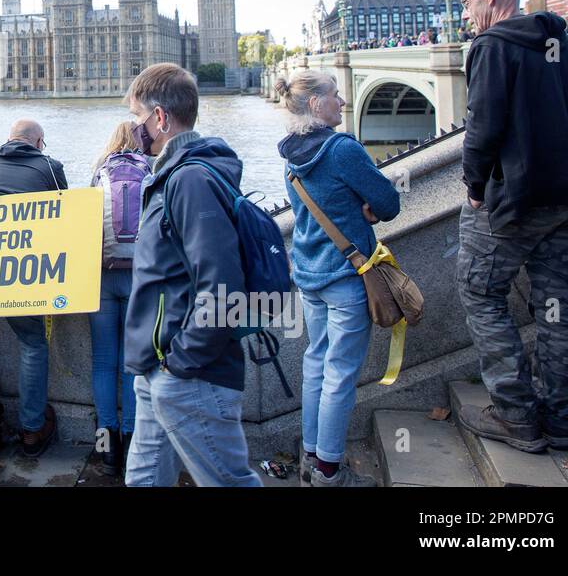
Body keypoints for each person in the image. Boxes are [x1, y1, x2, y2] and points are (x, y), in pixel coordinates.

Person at [456, 0, 568, 452]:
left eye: (467, 3)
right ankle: (559, 416)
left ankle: (516, 412)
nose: (465, 15)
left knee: (481, 292)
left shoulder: (492, 47)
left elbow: (483, 128)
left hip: (515, 203)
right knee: (556, 305)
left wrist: (475, 185)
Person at [123, 63, 262, 487]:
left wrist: (181, 363)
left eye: (137, 119)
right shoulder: (171, 175)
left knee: (227, 483)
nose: (133, 129)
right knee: (144, 480)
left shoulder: (190, 180)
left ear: (160, 118)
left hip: (188, 375)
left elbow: (220, 283)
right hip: (157, 368)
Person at [277, 71, 401, 487]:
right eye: (334, 95)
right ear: (315, 104)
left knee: (316, 364)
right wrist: (366, 209)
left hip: (310, 274)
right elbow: (388, 201)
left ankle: (312, 455)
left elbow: (313, 210)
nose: (343, 101)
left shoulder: (292, 155)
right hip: (348, 276)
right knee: (340, 373)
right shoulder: (342, 149)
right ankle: (330, 471)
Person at [0, 119, 67, 486]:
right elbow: (62, 217)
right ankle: (33, 432)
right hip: (22, 273)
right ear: (39, 142)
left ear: (8, 139)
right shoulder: (49, 167)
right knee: (33, 344)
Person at [88, 121, 148, 477]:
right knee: (131, 364)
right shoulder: (150, 169)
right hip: (140, 275)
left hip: (102, 275)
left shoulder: (99, 173)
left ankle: (106, 449)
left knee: (102, 363)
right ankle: (131, 442)